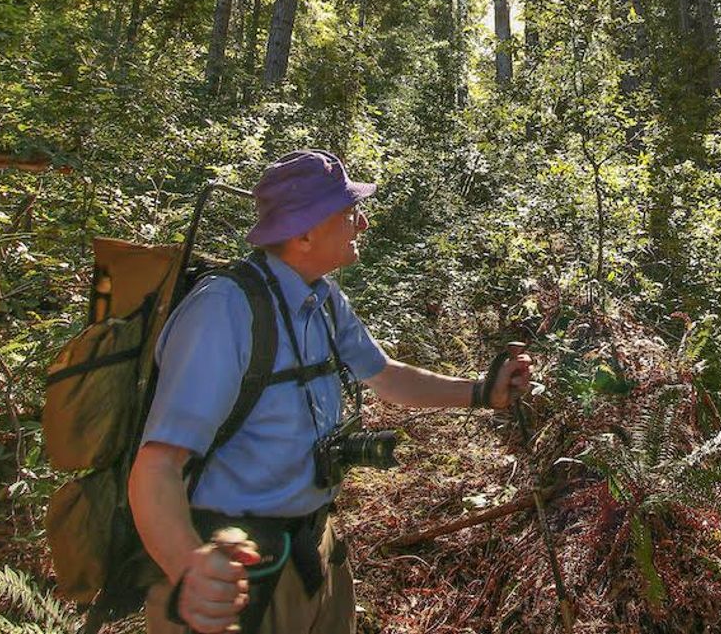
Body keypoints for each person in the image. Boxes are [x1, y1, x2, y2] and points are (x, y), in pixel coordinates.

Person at [128, 149, 532, 634]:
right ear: (303, 234)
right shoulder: (223, 310)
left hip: (315, 552)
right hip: (234, 572)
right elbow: (157, 466)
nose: (362, 223)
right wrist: (188, 567)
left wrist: (482, 393)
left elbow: (386, 376)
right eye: (348, 212)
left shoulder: (322, 298)